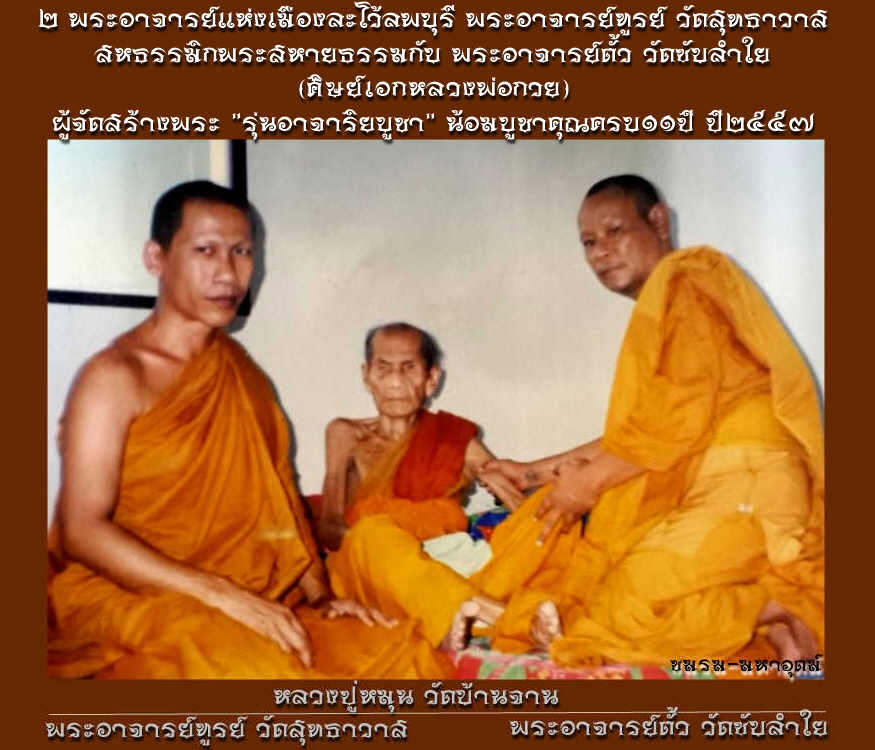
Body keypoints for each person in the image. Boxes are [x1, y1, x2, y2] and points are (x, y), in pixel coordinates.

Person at [47, 181, 453, 679]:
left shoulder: (242, 373)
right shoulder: (114, 377)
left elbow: (279, 503)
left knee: (395, 654)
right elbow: (82, 530)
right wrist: (221, 595)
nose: (227, 272)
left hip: (244, 595)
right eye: (205, 250)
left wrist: (321, 597)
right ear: (156, 258)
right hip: (129, 594)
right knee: (257, 669)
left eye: (241, 252)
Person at [482, 174, 824, 666]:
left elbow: (670, 427)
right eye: (588, 242)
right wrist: (533, 473)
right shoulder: (671, 300)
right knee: (607, 599)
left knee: (621, 609)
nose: (601, 251)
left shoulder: (687, 278)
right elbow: (642, 432)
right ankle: (776, 624)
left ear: (658, 221)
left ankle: (792, 605)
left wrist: (586, 486)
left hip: (751, 481)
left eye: (614, 231)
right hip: (721, 486)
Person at [319, 322, 527, 648]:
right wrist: (399, 536)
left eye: (409, 368)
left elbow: (516, 499)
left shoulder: (453, 439)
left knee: (546, 525)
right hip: (373, 567)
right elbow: (329, 528)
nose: (395, 381)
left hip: (444, 566)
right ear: (366, 375)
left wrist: (539, 517)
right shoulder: (345, 434)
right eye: (383, 368)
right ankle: (505, 619)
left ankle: (468, 614)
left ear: (431, 379)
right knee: (372, 533)